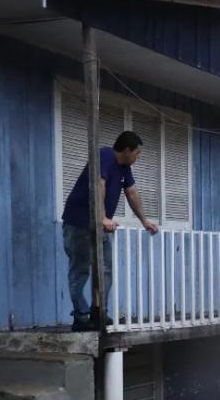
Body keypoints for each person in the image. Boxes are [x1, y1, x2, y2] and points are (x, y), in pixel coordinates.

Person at [61, 131, 158, 331]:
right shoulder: (105, 155)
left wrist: (144, 220)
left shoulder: (124, 168)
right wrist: (102, 217)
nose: (138, 158)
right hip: (78, 223)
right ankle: (80, 317)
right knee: (80, 270)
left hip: (99, 225)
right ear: (127, 150)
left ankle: (99, 311)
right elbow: (99, 185)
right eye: (137, 153)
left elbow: (132, 193)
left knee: (106, 270)